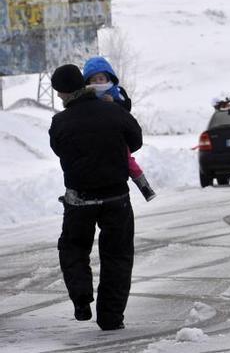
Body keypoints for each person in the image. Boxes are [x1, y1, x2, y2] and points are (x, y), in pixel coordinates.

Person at [48, 64, 143, 331]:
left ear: (65, 92)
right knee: (118, 256)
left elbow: (58, 148)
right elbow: (135, 141)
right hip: (116, 198)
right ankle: (111, 318)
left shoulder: (60, 122)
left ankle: (81, 298)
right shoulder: (113, 111)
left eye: (59, 93)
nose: (59, 98)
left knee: (73, 248)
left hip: (79, 200)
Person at [82, 56, 155, 201]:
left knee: (128, 161)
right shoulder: (86, 95)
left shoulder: (116, 92)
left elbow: (126, 107)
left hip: (117, 136)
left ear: (108, 78)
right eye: (94, 79)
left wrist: (113, 102)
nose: (98, 82)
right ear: (88, 81)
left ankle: (144, 186)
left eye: (101, 78)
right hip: (96, 138)